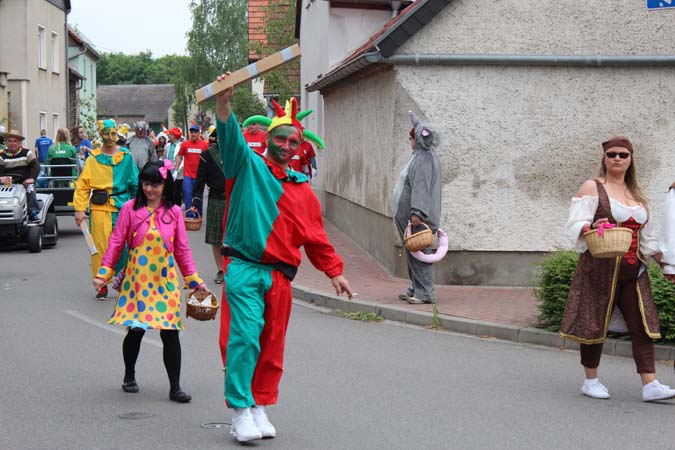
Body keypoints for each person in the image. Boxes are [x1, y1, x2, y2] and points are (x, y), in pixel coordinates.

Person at [215, 76, 353, 442]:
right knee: (245, 338)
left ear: (300, 146)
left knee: (272, 346)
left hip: (280, 277)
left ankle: (260, 404)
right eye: (280, 139)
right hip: (244, 267)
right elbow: (230, 139)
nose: (287, 146)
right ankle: (240, 410)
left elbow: (316, 237)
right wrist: (224, 104)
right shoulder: (247, 167)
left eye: (293, 141)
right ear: (268, 139)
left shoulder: (302, 189)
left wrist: (334, 272)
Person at [561, 136, 675, 402]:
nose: (617, 158)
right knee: (593, 323)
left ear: (630, 160)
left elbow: (647, 242)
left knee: (642, 326)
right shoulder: (593, 187)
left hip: (634, 272)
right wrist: (591, 226)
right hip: (599, 269)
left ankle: (650, 384)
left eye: (623, 155)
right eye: (612, 154)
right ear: (604, 158)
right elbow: (574, 224)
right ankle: (590, 380)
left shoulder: (637, 195)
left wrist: (668, 266)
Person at [93, 160, 207, 403]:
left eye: (155, 184)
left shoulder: (174, 212)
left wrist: (193, 280)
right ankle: (129, 375)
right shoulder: (129, 208)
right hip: (138, 281)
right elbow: (116, 241)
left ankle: (175, 387)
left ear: (165, 185)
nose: (149, 189)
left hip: (165, 281)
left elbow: (182, 249)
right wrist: (104, 272)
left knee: (171, 332)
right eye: (145, 183)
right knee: (136, 330)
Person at [73, 119, 139, 300]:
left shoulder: (126, 157)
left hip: (123, 207)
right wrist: (80, 209)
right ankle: (101, 283)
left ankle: (123, 279)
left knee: (125, 246)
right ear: (101, 135)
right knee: (101, 247)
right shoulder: (93, 159)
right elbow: (83, 186)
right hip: (100, 208)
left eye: (113, 133)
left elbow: (135, 183)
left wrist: (139, 207)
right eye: (106, 134)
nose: (110, 137)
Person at [392, 112, 442, 305]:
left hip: (417, 218)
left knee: (420, 253)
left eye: (411, 138)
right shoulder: (421, 156)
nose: (410, 141)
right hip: (410, 217)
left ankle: (425, 292)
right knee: (413, 253)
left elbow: (421, 187)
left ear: (419, 139)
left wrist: (417, 213)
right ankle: (416, 287)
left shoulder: (424, 159)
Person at [190, 126, 226, 284]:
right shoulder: (207, 155)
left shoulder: (238, 153)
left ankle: (232, 268)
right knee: (216, 237)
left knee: (234, 237)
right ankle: (221, 269)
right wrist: (195, 201)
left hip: (235, 200)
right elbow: (200, 179)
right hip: (216, 198)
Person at [0, 129, 40, 221]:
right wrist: (1, 178)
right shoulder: (1, 156)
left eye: (15, 141)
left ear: (19, 143)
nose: (12, 143)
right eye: (10, 141)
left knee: (30, 188)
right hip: (8, 183)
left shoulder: (27, 153)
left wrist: (32, 178)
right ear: (6, 143)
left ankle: (32, 212)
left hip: (24, 182)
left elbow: (36, 166)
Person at [175, 124, 208, 217]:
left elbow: (208, 160)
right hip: (188, 175)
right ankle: (189, 216)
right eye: (191, 132)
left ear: (198, 133)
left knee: (198, 196)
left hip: (199, 176)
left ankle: (198, 215)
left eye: (195, 132)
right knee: (187, 193)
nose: (193, 134)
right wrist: (176, 170)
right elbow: (179, 156)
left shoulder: (204, 145)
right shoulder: (185, 144)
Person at [166, 127, 184, 206]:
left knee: (177, 191)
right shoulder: (167, 145)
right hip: (169, 171)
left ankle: (177, 206)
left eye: (171, 134)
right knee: (169, 190)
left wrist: (178, 170)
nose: (169, 135)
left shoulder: (181, 145)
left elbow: (182, 159)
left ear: (175, 135)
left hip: (179, 171)